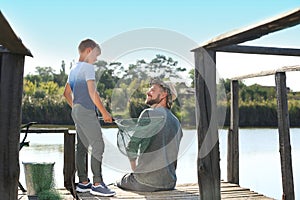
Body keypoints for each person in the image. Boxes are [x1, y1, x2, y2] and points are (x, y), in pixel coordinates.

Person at [63, 39, 115, 197]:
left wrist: (77, 108)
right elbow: (93, 93)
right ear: (88, 50)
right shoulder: (87, 67)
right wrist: (105, 113)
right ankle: (97, 183)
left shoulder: (73, 69)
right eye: (95, 55)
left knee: (83, 146)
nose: (96, 59)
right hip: (86, 111)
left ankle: (84, 183)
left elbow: (66, 94)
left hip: (77, 110)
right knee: (98, 145)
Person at [117, 79, 183, 192]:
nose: (148, 92)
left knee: (120, 181)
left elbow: (132, 147)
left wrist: (136, 173)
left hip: (145, 183)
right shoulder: (176, 122)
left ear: (164, 94)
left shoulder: (148, 113)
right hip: (169, 184)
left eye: (152, 90)